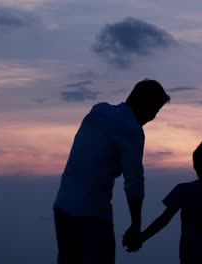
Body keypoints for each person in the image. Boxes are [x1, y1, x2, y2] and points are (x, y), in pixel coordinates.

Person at [53, 79, 170, 264]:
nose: (152, 117)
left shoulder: (98, 110)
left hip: (62, 206)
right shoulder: (132, 130)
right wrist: (136, 225)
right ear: (147, 106)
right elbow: (134, 183)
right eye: (155, 111)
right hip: (91, 214)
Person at [125, 139, 202, 264]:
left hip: (189, 256)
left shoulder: (183, 191)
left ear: (195, 165)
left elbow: (163, 219)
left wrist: (142, 237)